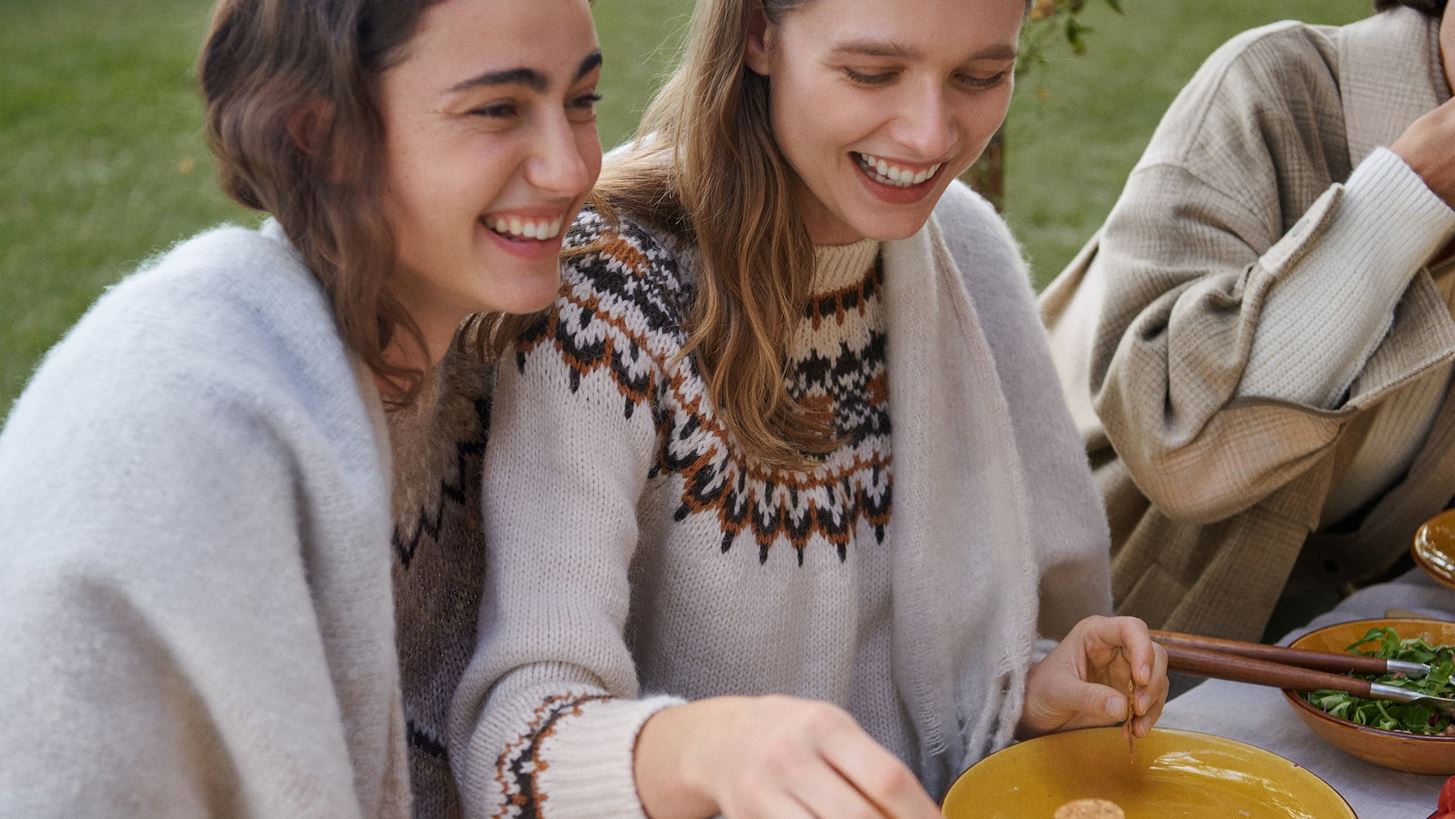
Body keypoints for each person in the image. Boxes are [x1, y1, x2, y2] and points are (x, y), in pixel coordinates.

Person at [448, 0, 1170, 816]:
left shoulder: (967, 249)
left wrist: (1027, 694)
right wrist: (710, 750)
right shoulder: (605, 293)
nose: (929, 135)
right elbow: (516, 755)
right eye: (871, 72)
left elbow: (935, 681)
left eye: (980, 76)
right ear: (758, 33)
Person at [0, 0, 603, 814]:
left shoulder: (507, 357)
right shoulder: (178, 438)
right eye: (497, 109)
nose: (570, 169)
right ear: (318, 135)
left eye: (582, 100)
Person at [1040, 0, 1455, 642]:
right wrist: (1406, 193)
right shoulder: (1269, 86)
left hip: (1340, 629)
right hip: (1100, 628)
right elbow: (1180, 451)